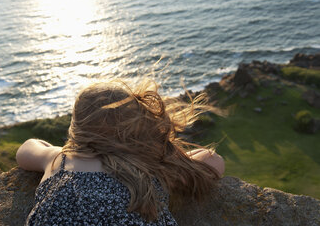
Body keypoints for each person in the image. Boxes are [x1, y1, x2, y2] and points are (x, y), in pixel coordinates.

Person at [16, 80, 225, 225]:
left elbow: (26, 149)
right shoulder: (147, 167)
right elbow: (213, 161)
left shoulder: (59, 161)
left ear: (75, 128)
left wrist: (61, 150)